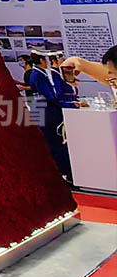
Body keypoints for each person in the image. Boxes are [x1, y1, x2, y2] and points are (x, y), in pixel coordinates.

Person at [27, 51, 84, 181]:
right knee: (54, 145)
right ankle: (62, 173)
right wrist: (69, 104)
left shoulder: (46, 74)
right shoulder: (37, 75)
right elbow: (49, 96)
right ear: (42, 60)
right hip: (46, 114)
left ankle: (68, 172)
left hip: (51, 111)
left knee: (59, 144)